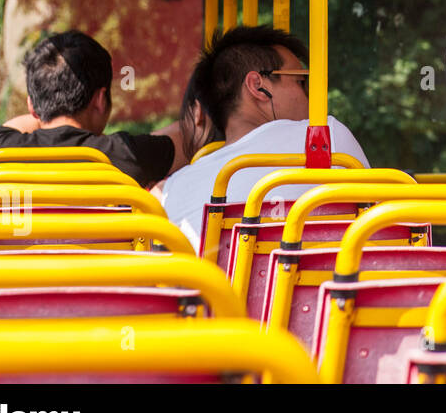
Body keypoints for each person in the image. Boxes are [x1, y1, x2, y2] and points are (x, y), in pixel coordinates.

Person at [158, 25, 369, 248]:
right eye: (301, 81)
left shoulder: (175, 190)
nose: (310, 95)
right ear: (258, 86)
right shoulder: (324, 140)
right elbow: (384, 235)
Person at [0, 31, 184, 187]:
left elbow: (19, 124)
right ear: (101, 100)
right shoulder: (128, 157)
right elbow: (188, 137)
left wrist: (43, 108)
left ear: (31, 107)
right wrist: (140, 144)